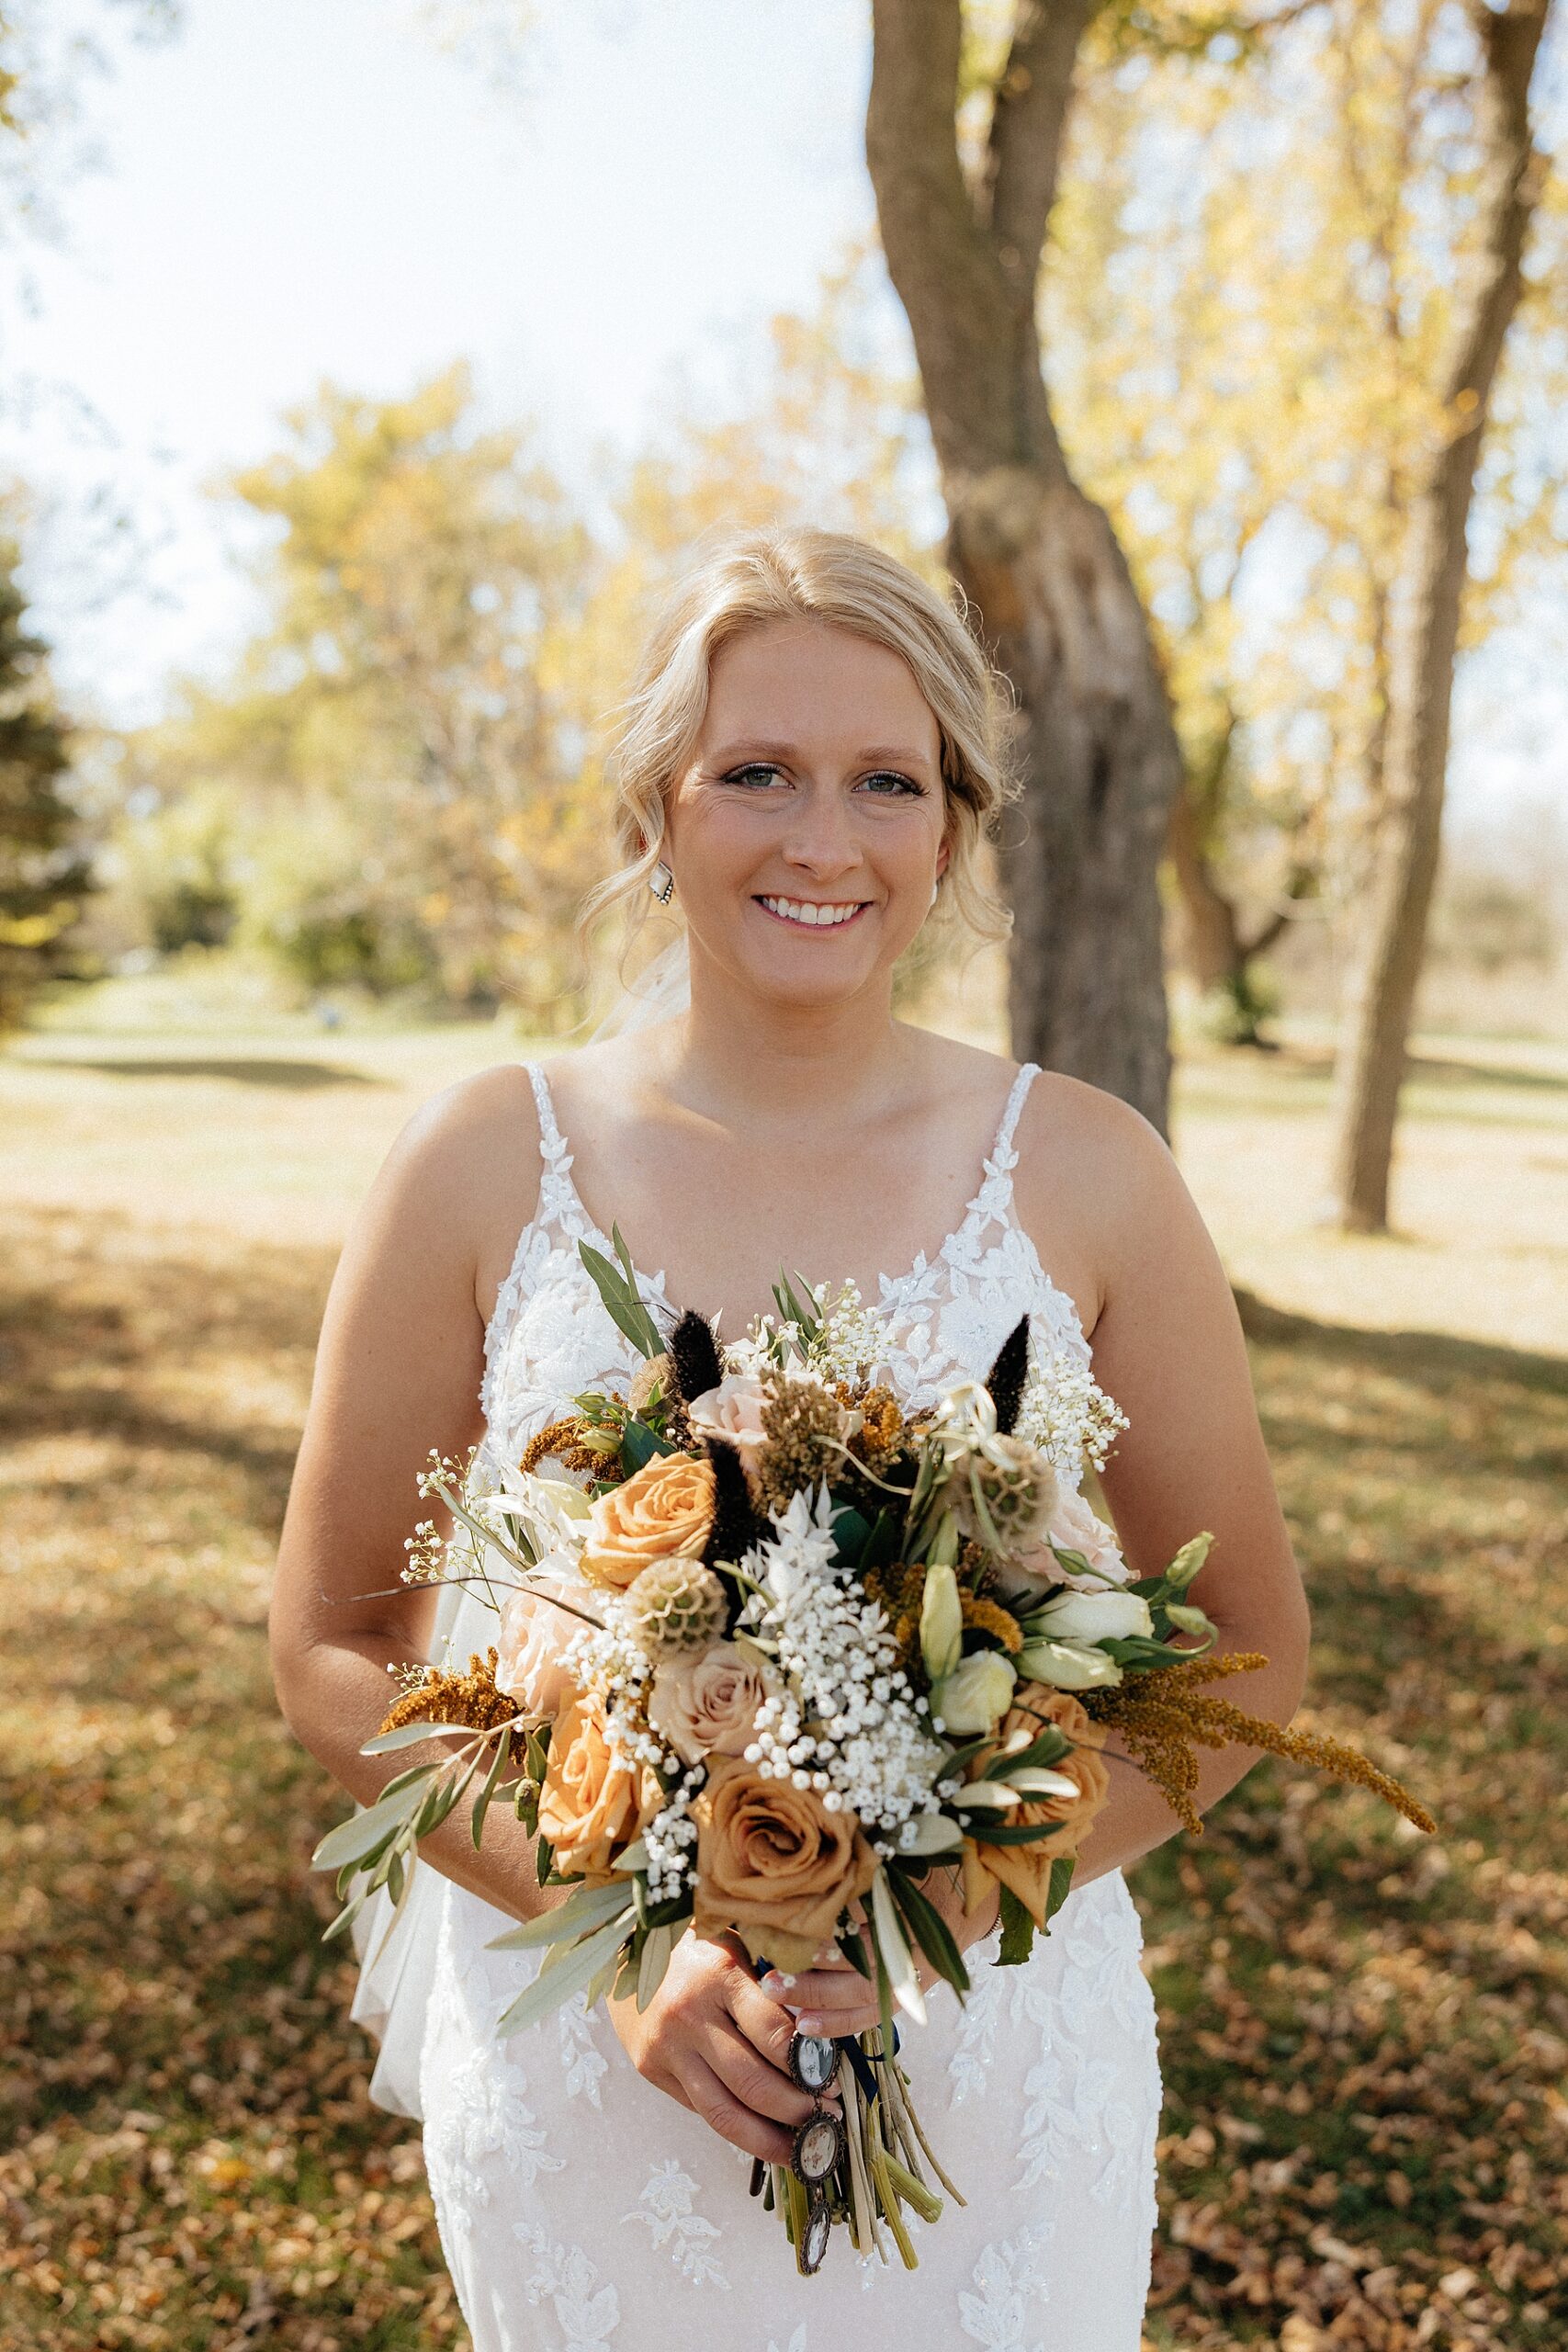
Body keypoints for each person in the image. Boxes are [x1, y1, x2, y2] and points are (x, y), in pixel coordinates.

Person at [270, 526, 1310, 2351]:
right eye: (755, 770)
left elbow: (1248, 1653)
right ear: (655, 808)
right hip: (599, 2078)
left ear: (951, 830)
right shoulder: (480, 1162)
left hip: (988, 2061)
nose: (821, 838)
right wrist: (620, 1942)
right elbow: (333, 1648)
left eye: (884, 781)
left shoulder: (1092, 1171)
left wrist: (922, 1912)